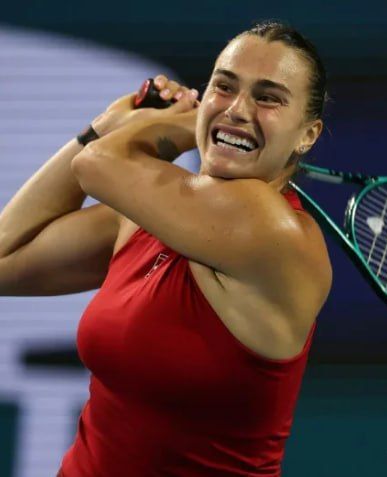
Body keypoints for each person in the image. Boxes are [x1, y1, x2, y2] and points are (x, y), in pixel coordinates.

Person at [0, 20, 332, 477]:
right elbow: (6, 259)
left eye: (268, 97)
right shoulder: (156, 214)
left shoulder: (271, 229)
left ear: (307, 135)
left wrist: (166, 124)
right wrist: (103, 127)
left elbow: (96, 163)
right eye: (224, 87)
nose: (238, 109)